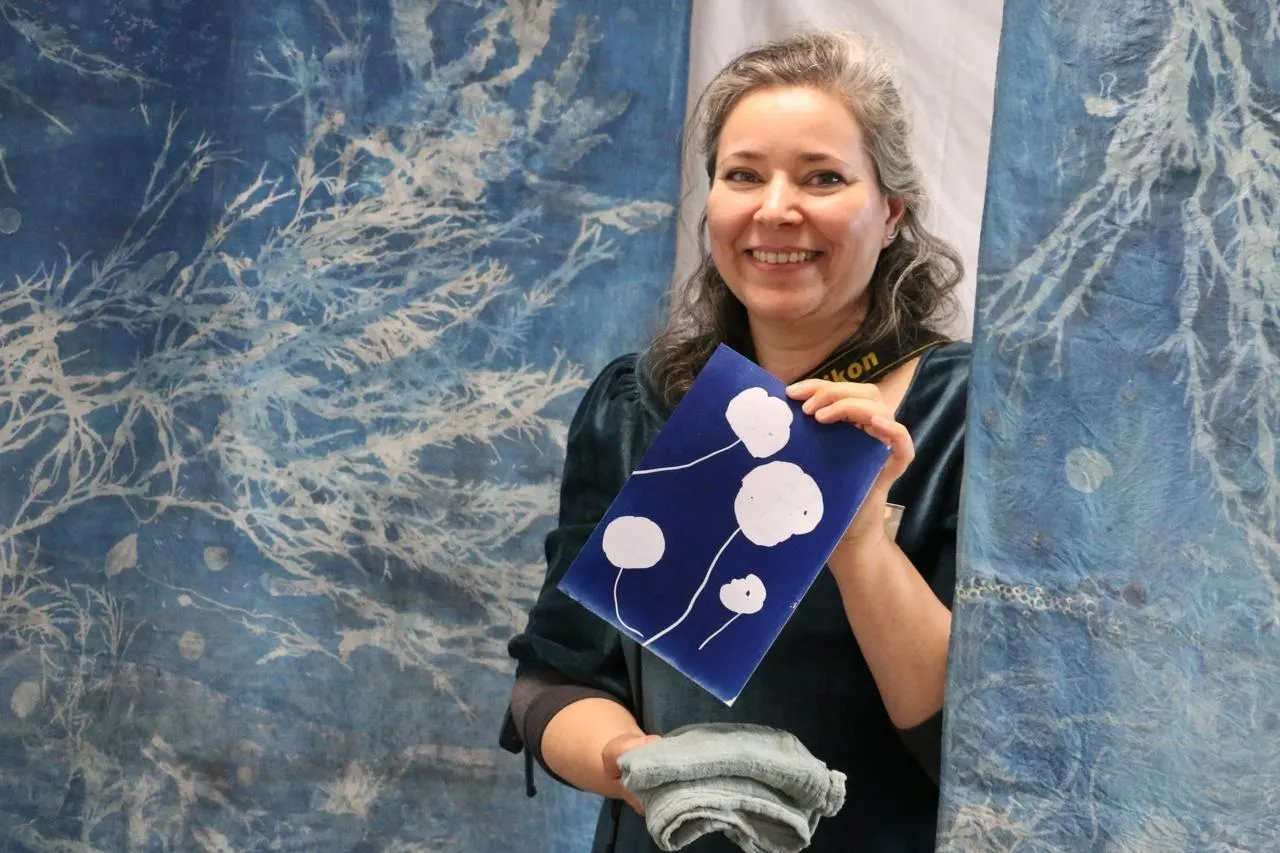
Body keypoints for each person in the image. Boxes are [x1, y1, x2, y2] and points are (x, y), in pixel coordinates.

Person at [500, 29, 970, 853]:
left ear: (892, 211)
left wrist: (861, 543)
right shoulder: (637, 404)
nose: (775, 209)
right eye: (743, 175)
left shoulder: (973, 416)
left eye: (823, 177)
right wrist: (643, 769)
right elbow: (554, 680)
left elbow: (975, 744)